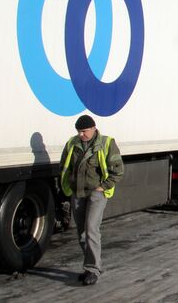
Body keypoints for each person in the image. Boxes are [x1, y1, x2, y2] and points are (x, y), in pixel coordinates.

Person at [60, 115, 124, 286]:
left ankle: (94, 269)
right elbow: (64, 167)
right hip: (78, 193)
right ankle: (89, 268)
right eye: (79, 131)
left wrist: (102, 187)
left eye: (84, 131)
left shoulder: (106, 143)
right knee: (81, 232)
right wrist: (68, 187)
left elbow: (118, 171)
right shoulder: (72, 144)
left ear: (94, 128)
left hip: (97, 193)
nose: (81, 134)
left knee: (91, 229)